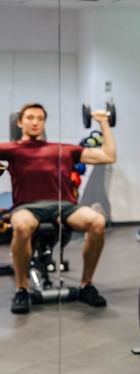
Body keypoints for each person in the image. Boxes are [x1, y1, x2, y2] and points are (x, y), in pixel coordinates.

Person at [1, 103, 117, 314]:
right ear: (20, 122)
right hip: (28, 207)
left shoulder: (63, 149)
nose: (35, 122)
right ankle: (22, 289)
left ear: (44, 122)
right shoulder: (11, 149)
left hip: (64, 206)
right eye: (29, 117)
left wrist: (104, 123)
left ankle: (86, 285)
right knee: (20, 226)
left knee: (97, 222)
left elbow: (108, 156)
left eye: (39, 118)